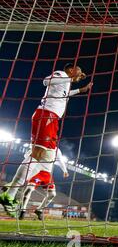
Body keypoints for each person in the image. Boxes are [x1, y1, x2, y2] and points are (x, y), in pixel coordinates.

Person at [0, 63, 92, 217]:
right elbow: (46, 81)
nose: (80, 74)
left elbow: (63, 94)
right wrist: (69, 78)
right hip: (47, 116)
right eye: (79, 70)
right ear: (71, 69)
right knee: (38, 155)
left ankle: (11, 190)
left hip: (48, 117)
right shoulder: (61, 75)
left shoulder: (66, 81)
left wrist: (80, 90)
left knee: (38, 155)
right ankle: (9, 194)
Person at [19, 148, 69, 220]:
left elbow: (60, 160)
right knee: (29, 189)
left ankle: (39, 210)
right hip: (37, 172)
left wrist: (65, 170)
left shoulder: (56, 149)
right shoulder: (39, 145)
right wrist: (33, 157)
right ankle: (22, 210)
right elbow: (26, 155)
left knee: (52, 195)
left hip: (47, 174)